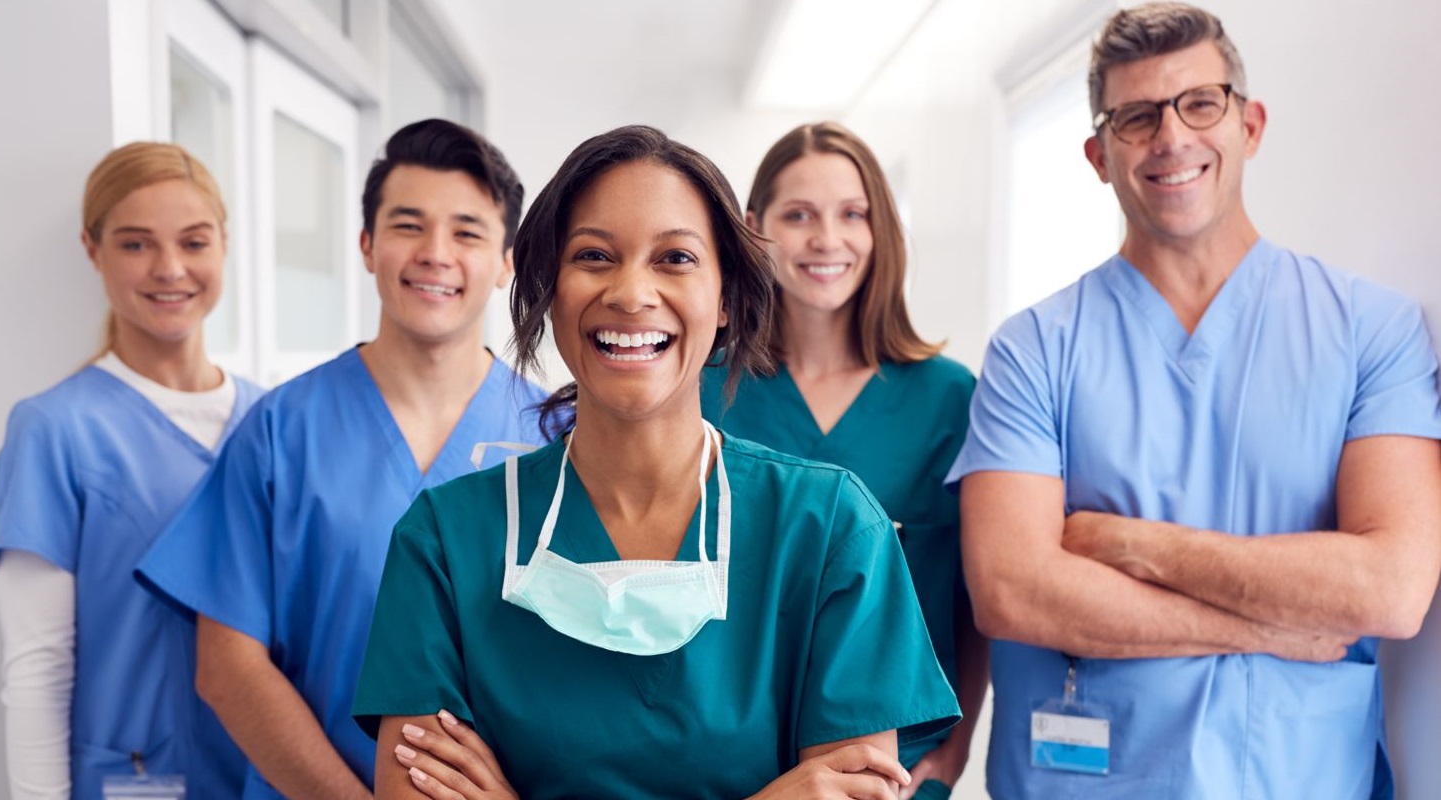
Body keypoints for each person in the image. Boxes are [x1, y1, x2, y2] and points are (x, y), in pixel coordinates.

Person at [352, 125, 961, 800]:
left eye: (674, 258)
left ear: (727, 297)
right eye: (592, 256)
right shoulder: (444, 539)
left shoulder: (830, 532)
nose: (631, 292)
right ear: (547, 287)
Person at [947, 4, 1441, 798]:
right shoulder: (1032, 349)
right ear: (1097, 155)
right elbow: (1012, 590)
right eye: (1135, 117)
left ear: (1249, 124)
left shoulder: (1368, 330)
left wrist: (1139, 547)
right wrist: (1277, 624)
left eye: (1199, 104)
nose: (1171, 138)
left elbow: (1389, 588)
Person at [135, 118, 546, 800]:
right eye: (408, 225)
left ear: (506, 259)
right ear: (366, 244)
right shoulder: (281, 430)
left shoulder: (557, 437)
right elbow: (228, 665)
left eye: (467, 232)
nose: (435, 253)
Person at [701, 121, 985, 800]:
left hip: (893, 770)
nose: (826, 239)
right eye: (798, 215)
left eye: (851, 214)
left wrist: (956, 745)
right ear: (753, 229)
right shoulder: (704, 388)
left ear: (879, 228)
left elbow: (970, 599)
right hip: (733, 770)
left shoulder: (947, 398)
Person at [0, 141, 261, 800]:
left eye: (194, 243)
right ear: (93, 249)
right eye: (136, 244)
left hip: (265, 774)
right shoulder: (54, 429)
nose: (170, 269)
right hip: (133, 778)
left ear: (224, 244)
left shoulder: (270, 419)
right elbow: (37, 668)